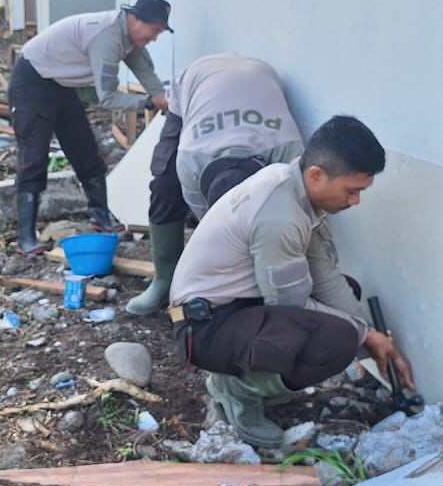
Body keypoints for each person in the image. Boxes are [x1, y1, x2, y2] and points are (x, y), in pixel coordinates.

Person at [166, 115, 415, 447]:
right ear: (316, 175)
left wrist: (370, 333)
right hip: (204, 329)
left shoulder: (290, 185)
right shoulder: (279, 215)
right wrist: (362, 334)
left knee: (347, 299)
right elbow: (290, 306)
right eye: (352, 191)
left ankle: (253, 375)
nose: (355, 202)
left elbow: (324, 276)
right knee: (337, 339)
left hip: (230, 309)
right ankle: (237, 390)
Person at [125, 53, 305, 315]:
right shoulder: (190, 159)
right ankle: (164, 279)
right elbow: (212, 228)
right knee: (164, 185)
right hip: (198, 79)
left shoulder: (289, 157)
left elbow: (297, 214)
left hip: (259, 75)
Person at [9, 0, 173, 253]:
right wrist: (147, 104)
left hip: (61, 85)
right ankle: (26, 237)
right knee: (34, 158)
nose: (153, 38)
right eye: (154, 30)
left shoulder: (129, 39)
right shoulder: (107, 37)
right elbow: (106, 98)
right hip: (32, 82)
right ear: (134, 18)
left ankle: (101, 219)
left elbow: (146, 72)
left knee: (85, 151)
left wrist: (162, 97)